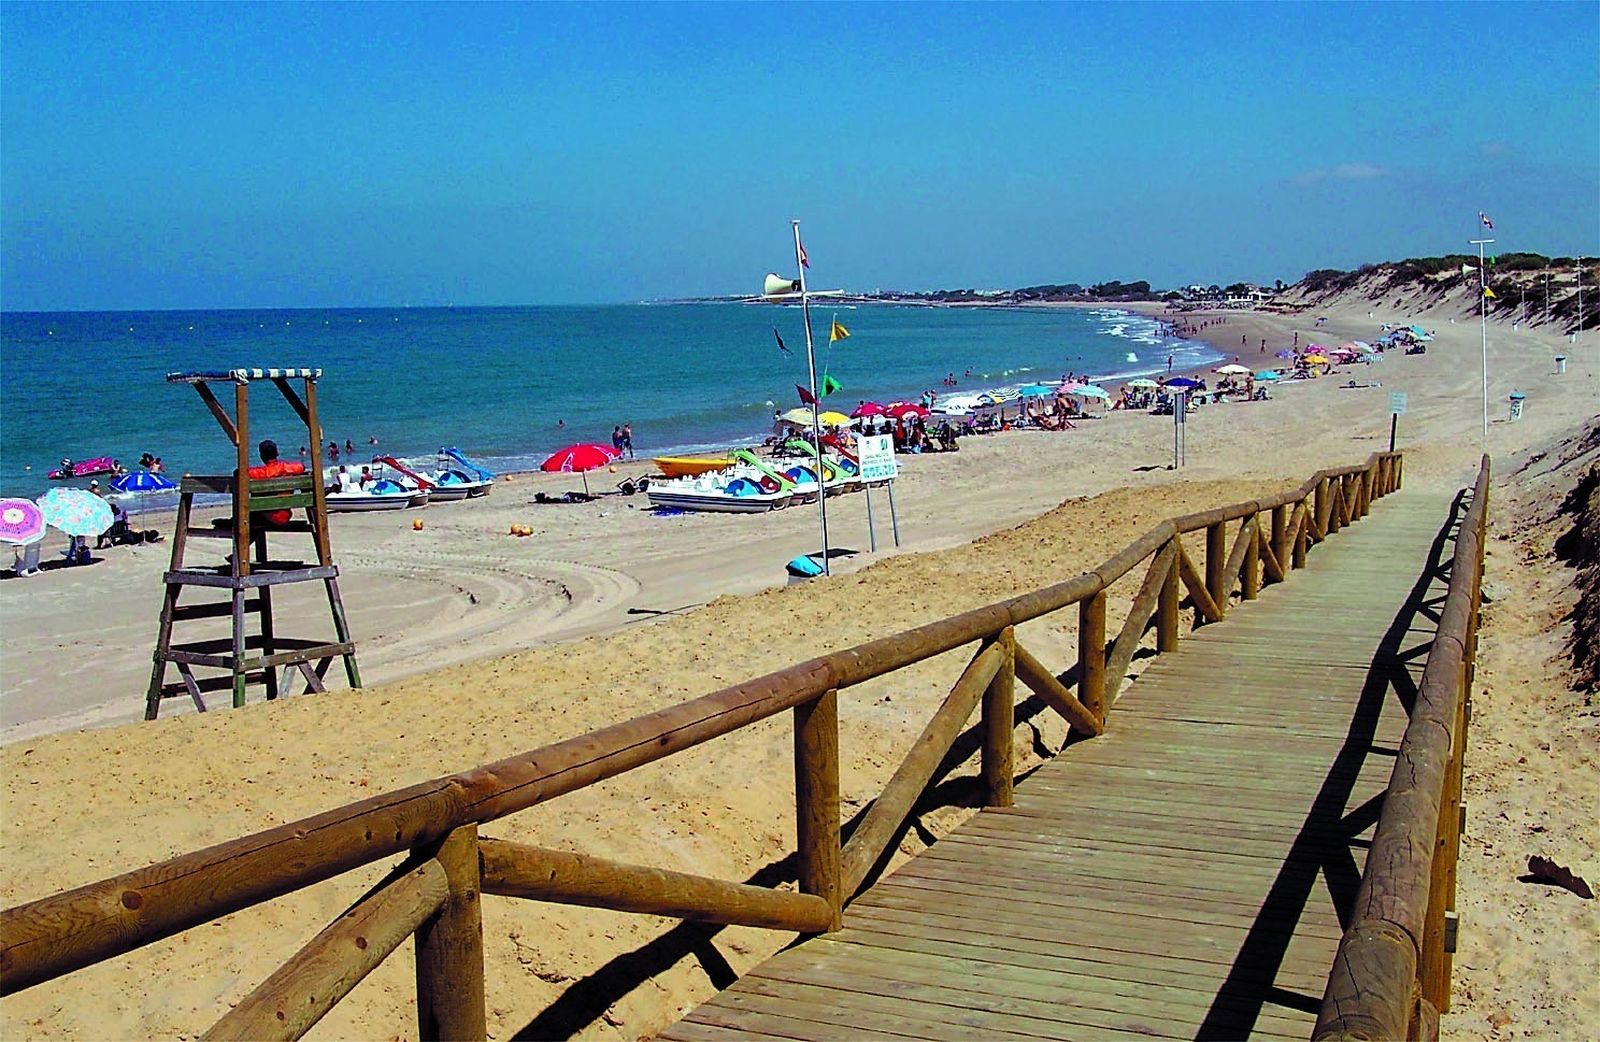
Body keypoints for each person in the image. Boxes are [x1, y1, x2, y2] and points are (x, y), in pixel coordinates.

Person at [249, 440, 306, 526]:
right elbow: (301, 467)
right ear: (277, 453)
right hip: (284, 516)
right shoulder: (286, 468)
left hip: (266, 516)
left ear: (261, 456)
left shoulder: (259, 473)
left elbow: (240, 473)